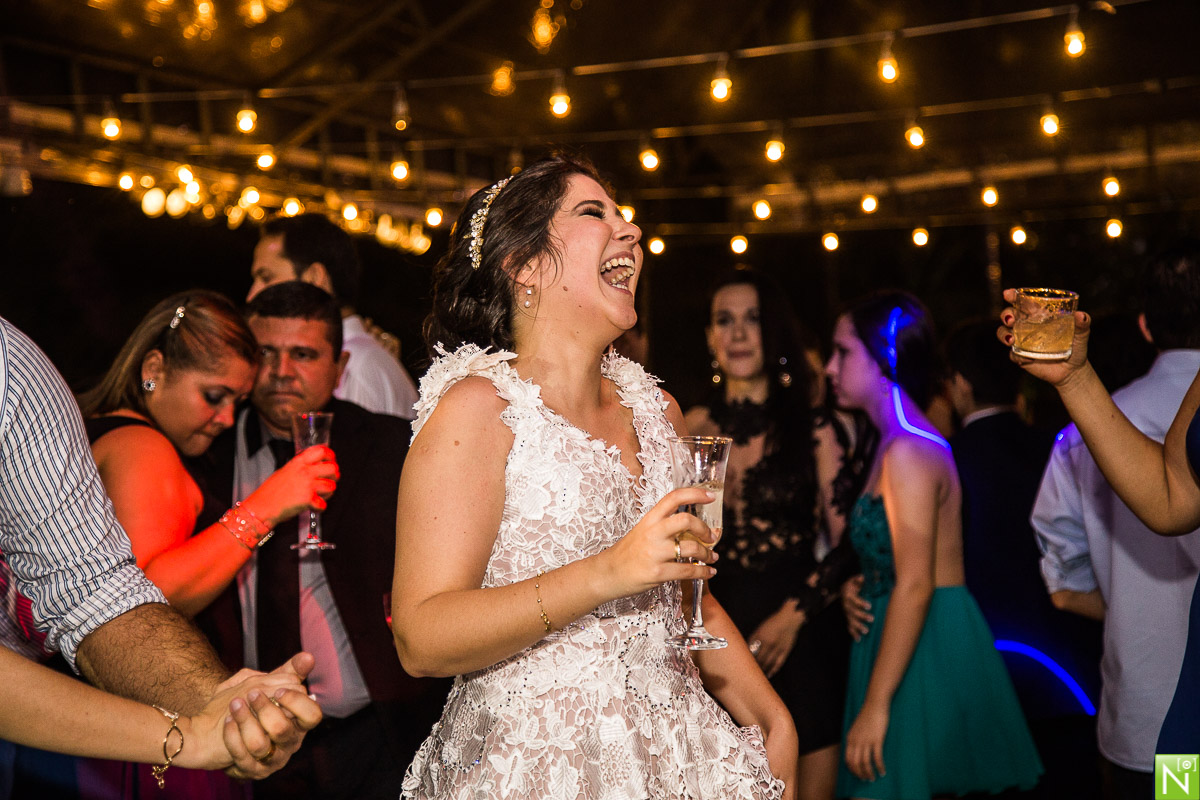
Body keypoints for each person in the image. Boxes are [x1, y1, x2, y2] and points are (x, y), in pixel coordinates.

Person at [393, 154, 798, 799]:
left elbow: (687, 597)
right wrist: (609, 571)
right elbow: (422, 638)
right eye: (593, 212)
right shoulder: (477, 411)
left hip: (677, 754)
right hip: (539, 762)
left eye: (624, 215)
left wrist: (772, 717)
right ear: (522, 266)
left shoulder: (658, 411)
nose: (630, 230)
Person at [0, 315, 322, 789]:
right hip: (127, 733)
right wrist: (263, 509)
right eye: (214, 396)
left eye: (238, 401)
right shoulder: (141, 445)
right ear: (153, 370)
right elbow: (145, 592)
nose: (228, 418)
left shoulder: (58, 403)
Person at [196, 281, 441, 800]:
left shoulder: (392, 446)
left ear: (340, 364)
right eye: (267, 354)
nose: (283, 371)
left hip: (375, 732)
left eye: (304, 354)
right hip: (250, 730)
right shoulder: (211, 448)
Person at [1000, 240, 1200, 790]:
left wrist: (1137, 613)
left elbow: (1063, 585)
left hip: (1148, 714)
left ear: (1144, 326)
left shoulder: (1076, 441)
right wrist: (1073, 378)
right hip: (1180, 722)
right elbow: (1171, 498)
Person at [826, 291, 1042, 800]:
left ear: (885, 359)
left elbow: (918, 583)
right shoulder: (891, 442)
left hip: (924, 651)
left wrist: (877, 705)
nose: (830, 368)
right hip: (895, 638)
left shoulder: (909, 449)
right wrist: (861, 584)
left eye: (842, 353)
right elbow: (897, 561)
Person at [684, 266, 853, 800]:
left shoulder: (814, 426)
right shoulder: (688, 427)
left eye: (752, 320)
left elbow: (851, 542)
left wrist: (792, 617)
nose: (737, 334)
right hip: (716, 638)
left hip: (800, 639)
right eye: (724, 321)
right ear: (710, 337)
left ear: (772, 330)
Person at [247, 213, 420, 420]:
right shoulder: (362, 355)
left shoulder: (357, 368)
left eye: (266, 278)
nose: (252, 295)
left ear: (314, 278)